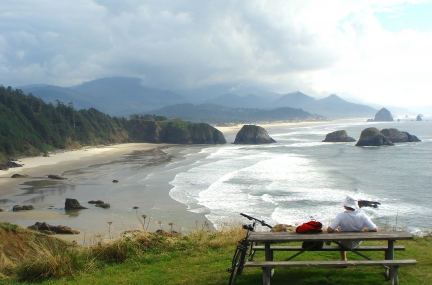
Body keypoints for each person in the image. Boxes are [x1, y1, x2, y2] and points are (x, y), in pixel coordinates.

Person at [327, 195, 378, 261]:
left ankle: (343, 259)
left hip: (343, 243)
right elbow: (375, 229)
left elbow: (329, 230)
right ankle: (344, 259)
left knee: (340, 235)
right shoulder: (362, 216)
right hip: (356, 242)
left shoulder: (341, 216)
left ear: (345, 206)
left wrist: (337, 231)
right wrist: (364, 230)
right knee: (343, 235)